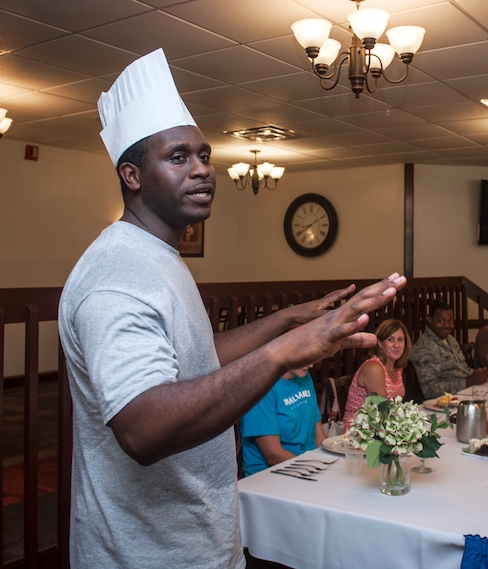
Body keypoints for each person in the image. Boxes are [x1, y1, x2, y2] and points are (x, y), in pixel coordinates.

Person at [58, 49, 406, 569]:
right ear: (131, 176)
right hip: (149, 553)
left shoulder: (158, 256)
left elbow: (193, 357)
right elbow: (144, 428)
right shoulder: (118, 275)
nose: (201, 170)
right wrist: (284, 353)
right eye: (178, 158)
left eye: (203, 155)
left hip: (202, 540)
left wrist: (290, 320)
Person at [240, 365, 325, 477]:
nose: (311, 365)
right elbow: (273, 455)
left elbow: (319, 437)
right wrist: (316, 470)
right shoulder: (260, 386)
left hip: (307, 466)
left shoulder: (304, 375)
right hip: (271, 475)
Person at [410, 301, 488, 400]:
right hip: (443, 403)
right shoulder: (425, 348)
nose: (447, 325)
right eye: (441, 321)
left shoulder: (450, 339)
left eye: (450, 321)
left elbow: (463, 369)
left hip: (464, 393)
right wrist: (468, 381)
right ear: (430, 320)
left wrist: (478, 374)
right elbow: (430, 390)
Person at [342, 319, 410, 431]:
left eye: (400, 340)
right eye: (391, 340)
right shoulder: (374, 367)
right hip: (360, 432)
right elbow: (382, 410)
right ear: (379, 343)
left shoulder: (397, 367)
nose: (397, 345)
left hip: (383, 427)